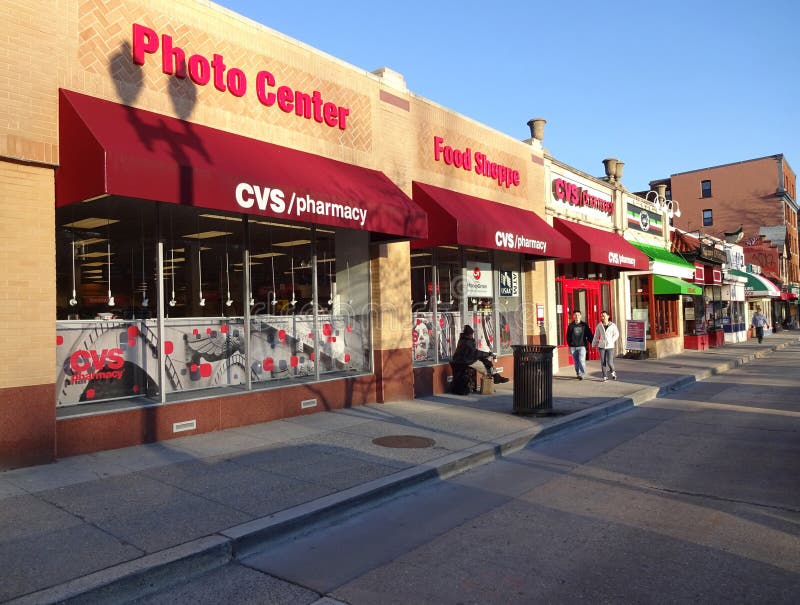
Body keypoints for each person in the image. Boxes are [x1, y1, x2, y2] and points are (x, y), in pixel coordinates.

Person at [592, 310, 619, 381]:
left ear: (608, 316)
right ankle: (605, 376)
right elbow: (596, 335)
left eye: (604, 316)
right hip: (601, 346)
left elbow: (616, 334)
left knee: (610, 362)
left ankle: (613, 372)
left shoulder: (613, 325)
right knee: (603, 361)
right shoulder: (599, 325)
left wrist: (612, 340)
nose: (602, 317)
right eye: (601, 316)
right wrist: (593, 344)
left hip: (610, 346)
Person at [566, 310, 593, 380]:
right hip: (573, 346)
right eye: (575, 315)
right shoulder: (571, 326)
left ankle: (582, 374)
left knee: (581, 360)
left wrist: (592, 342)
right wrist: (570, 344)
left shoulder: (584, 325)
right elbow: (568, 336)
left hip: (582, 346)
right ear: (573, 316)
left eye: (578, 315)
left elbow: (589, 334)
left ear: (580, 316)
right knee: (576, 362)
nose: (577, 316)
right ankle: (578, 373)